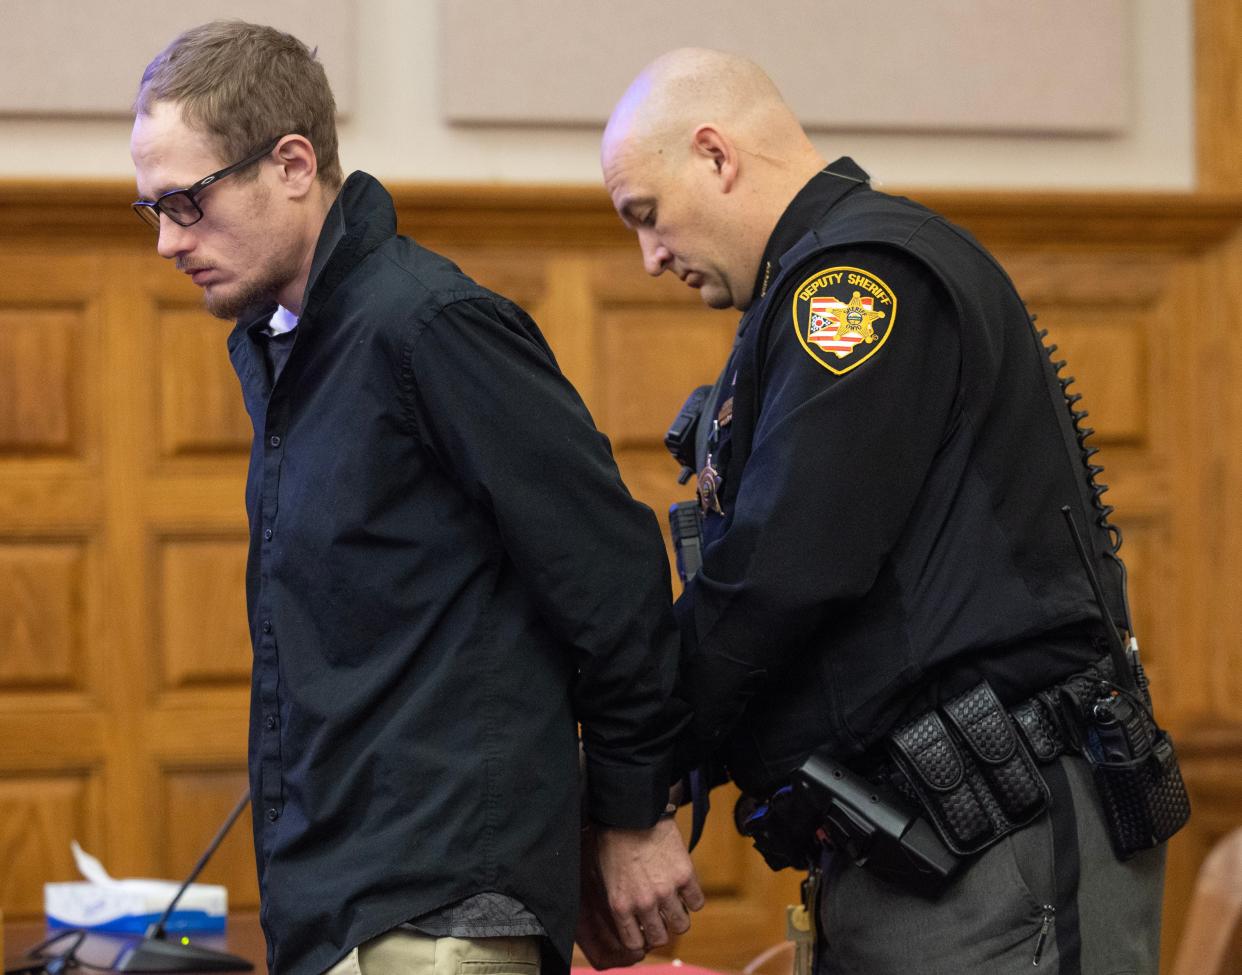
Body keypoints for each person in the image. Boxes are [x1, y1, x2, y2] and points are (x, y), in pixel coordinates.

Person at [129, 22, 703, 975]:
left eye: (187, 201)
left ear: (294, 164)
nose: (166, 241)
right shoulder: (291, 351)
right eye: (149, 208)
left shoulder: (429, 325)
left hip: (441, 909)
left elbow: (612, 572)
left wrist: (632, 811)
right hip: (343, 903)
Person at [598, 48, 1173, 975]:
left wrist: (636, 763)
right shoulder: (815, 283)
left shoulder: (854, 286)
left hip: (997, 847)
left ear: (715, 154)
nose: (650, 256)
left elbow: (785, 567)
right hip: (927, 839)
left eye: (647, 215)